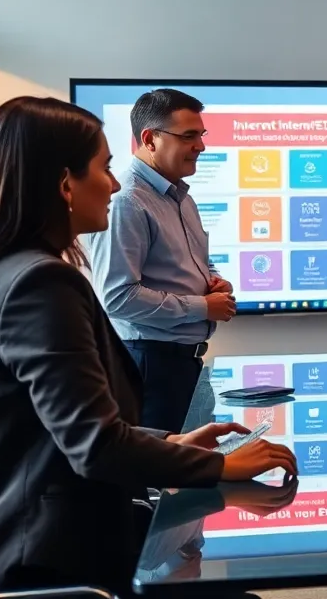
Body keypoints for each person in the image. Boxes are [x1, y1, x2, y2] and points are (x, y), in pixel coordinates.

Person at [0, 97, 296, 594]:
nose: (116, 184)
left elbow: (62, 428)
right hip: (35, 571)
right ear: (64, 185)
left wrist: (168, 443)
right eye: (105, 168)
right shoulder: (41, 285)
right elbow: (95, 447)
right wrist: (221, 466)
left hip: (17, 549)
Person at [86, 88, 237, 432]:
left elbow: (199, 262)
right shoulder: (128, 201)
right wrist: (201, 306)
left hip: (183, 363)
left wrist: (214, 282)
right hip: (149, 364)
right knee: (158, 479)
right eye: (188, 136)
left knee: (193, 469)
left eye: (201, 135)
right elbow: (117, 297)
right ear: (149, 139)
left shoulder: (180, 197)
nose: (201, 146)